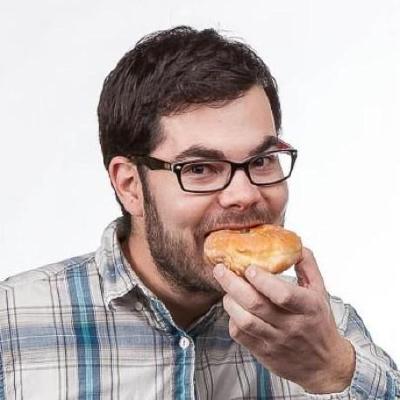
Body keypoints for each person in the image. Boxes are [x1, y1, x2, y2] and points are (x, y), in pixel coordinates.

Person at [0, 26, 399, 400]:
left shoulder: (329, 332)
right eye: (200, 168)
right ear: (130, 185)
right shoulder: (12, 327)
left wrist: (330, 369)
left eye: (262, 160)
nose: (244, 195)